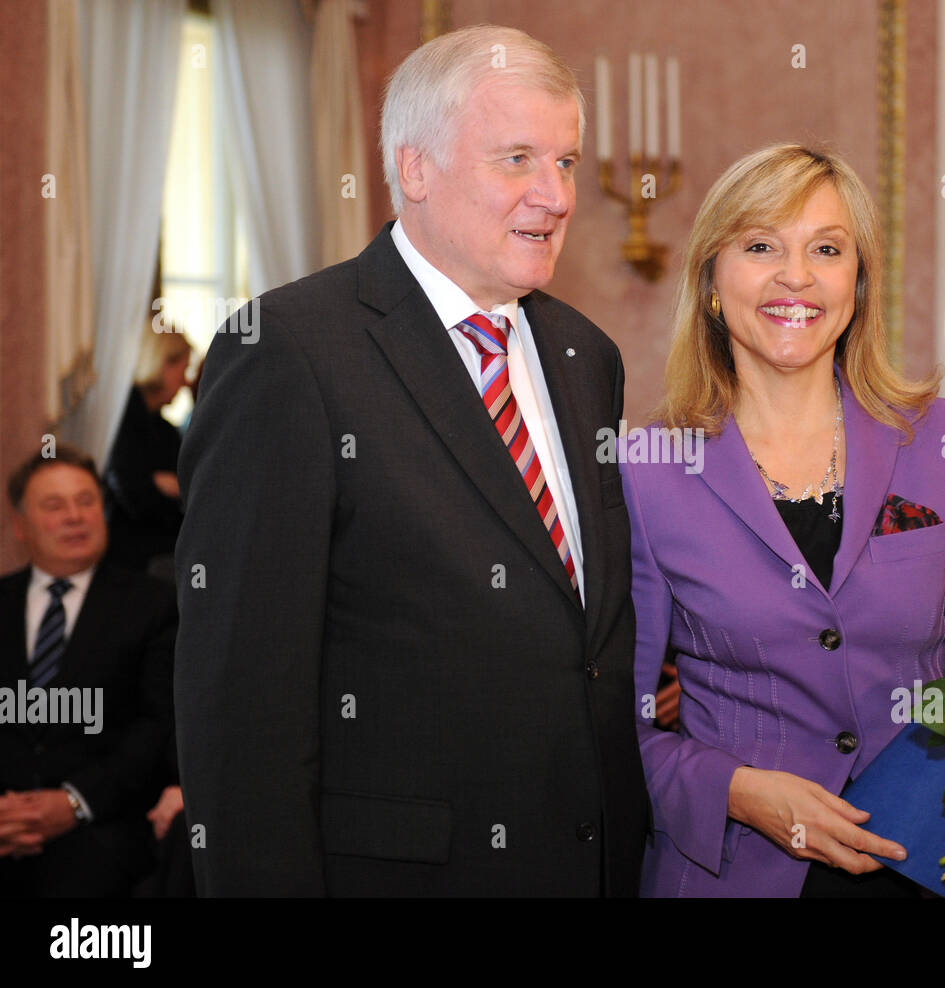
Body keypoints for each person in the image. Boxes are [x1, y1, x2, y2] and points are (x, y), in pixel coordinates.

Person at [174, 25, 647, 896]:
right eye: (517, 159)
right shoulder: (288, 352)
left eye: (569, 162)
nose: (556, 195)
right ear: (415, 168)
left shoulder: (588, 358)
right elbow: (241, 705)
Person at [623, 144, 945, 898]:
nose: (795, 276)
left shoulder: (939, 437)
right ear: (711, 281)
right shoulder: (647, 470)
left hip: (930, 858)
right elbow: (619, 723)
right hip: (735, 869)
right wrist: (737, 789)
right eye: (761, 246)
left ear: (858, 284)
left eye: (826, 249)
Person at [0, 446, 176, 896]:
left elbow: (157, 726)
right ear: (20, 525)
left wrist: (75, 802)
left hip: (102, 828)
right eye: (55, 506)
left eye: (87, 501)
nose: (75, 517)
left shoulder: (153, 605)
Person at [104, 325, 191, 577]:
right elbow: (133, 493)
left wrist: (171, 486)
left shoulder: (161, 426)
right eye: (182, 370)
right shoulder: (123, 415)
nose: (185, 382)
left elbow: (180, 487)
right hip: (133, 556)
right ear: (162, 364)